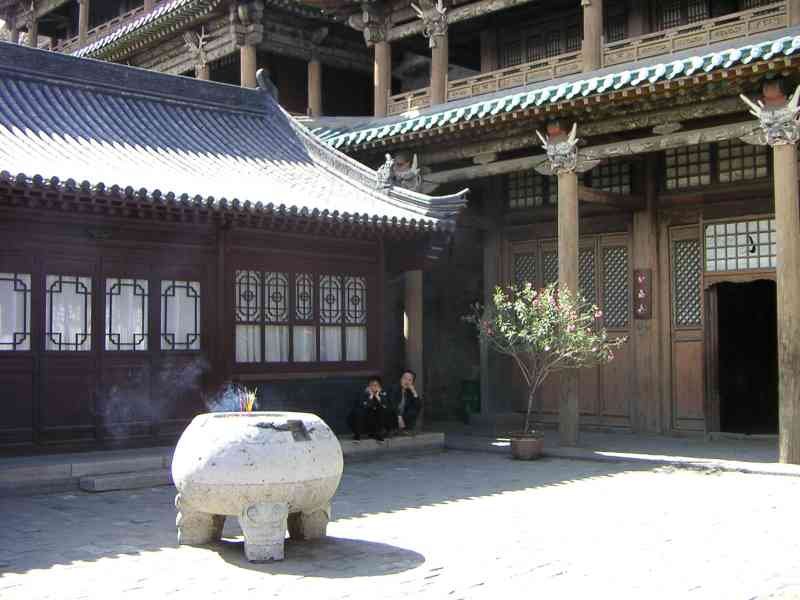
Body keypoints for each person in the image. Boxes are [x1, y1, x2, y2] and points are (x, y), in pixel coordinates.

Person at [348, 376, 389, 442]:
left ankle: (378, 434)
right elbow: (363, 407)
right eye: (372, 385)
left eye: (376, 385)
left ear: (379, 387)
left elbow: (385, 406)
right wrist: (371, 396)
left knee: (381, 411)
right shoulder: (363, 394)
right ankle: (357, 435)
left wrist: (378, 397)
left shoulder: (382, 394)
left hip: (376, 423)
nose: (374, 387)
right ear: (368, 386)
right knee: (359, 412)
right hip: (365, 421)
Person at [387, 369, 421, 435]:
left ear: (412, 382)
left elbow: (418, 406)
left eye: (409, 380)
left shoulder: (409, 392)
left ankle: (404, 429)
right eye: (404, 378)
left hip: (401, 419)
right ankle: (391, 429)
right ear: (401, 379)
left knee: (414, 409)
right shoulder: (394, 388)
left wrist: (414, 391)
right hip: (391, 417)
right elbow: (392, 403)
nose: (406, 381)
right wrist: (399, 416)